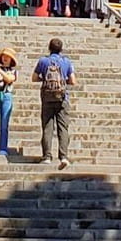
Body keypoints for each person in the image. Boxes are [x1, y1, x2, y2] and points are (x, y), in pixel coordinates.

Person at [32, 38, 76, 169]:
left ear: (49, 48)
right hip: (62, 98)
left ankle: (47, 156)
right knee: (63, 128)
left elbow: (34, 78)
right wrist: (63, 81)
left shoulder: (43, 61)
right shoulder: (66, 61)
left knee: (47, 127)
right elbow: (73, 81)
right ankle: (63, 156)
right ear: (61, 49)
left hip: (47, 97)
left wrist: (44, 78)